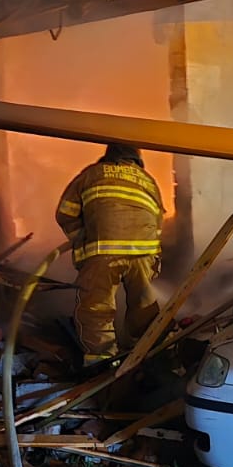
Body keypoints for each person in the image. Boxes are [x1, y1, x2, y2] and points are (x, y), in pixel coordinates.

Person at [55, 143, 164, 368]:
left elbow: (66, 212)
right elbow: (157, 220)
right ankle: (145, 353)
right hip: (143, 252)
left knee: (96, 307)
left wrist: (81, 236)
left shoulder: (91, 174)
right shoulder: (148, 179)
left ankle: (102, 362)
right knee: (144, 303)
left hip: (103, 251)